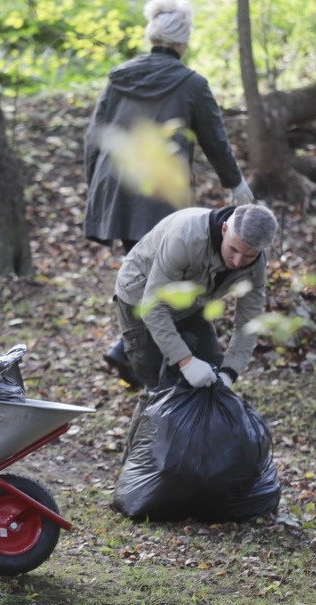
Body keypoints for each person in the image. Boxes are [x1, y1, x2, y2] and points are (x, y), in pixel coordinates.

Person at [84, 0, 255, 388]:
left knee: (146, 271)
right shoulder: (191, 83)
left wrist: (94, 188)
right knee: (164, 279)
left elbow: (94, 138)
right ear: (184, 40)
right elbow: (215, 138)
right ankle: (133, 354)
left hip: (115, 188)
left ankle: (135, 358)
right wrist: (236, 183)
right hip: (158, 193)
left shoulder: (118, 77)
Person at [114, 204, 276, 390]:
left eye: (248, 256)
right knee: (162, 388)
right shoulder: (186, 236)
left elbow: (249, 322)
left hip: (190, 301)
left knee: (213, 375)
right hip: (140, 296)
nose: (238, 262)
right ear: (224, 229)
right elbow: (153, 307)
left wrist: (229, 372)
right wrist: (186, 361)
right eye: (233, 249)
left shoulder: (257, 262)